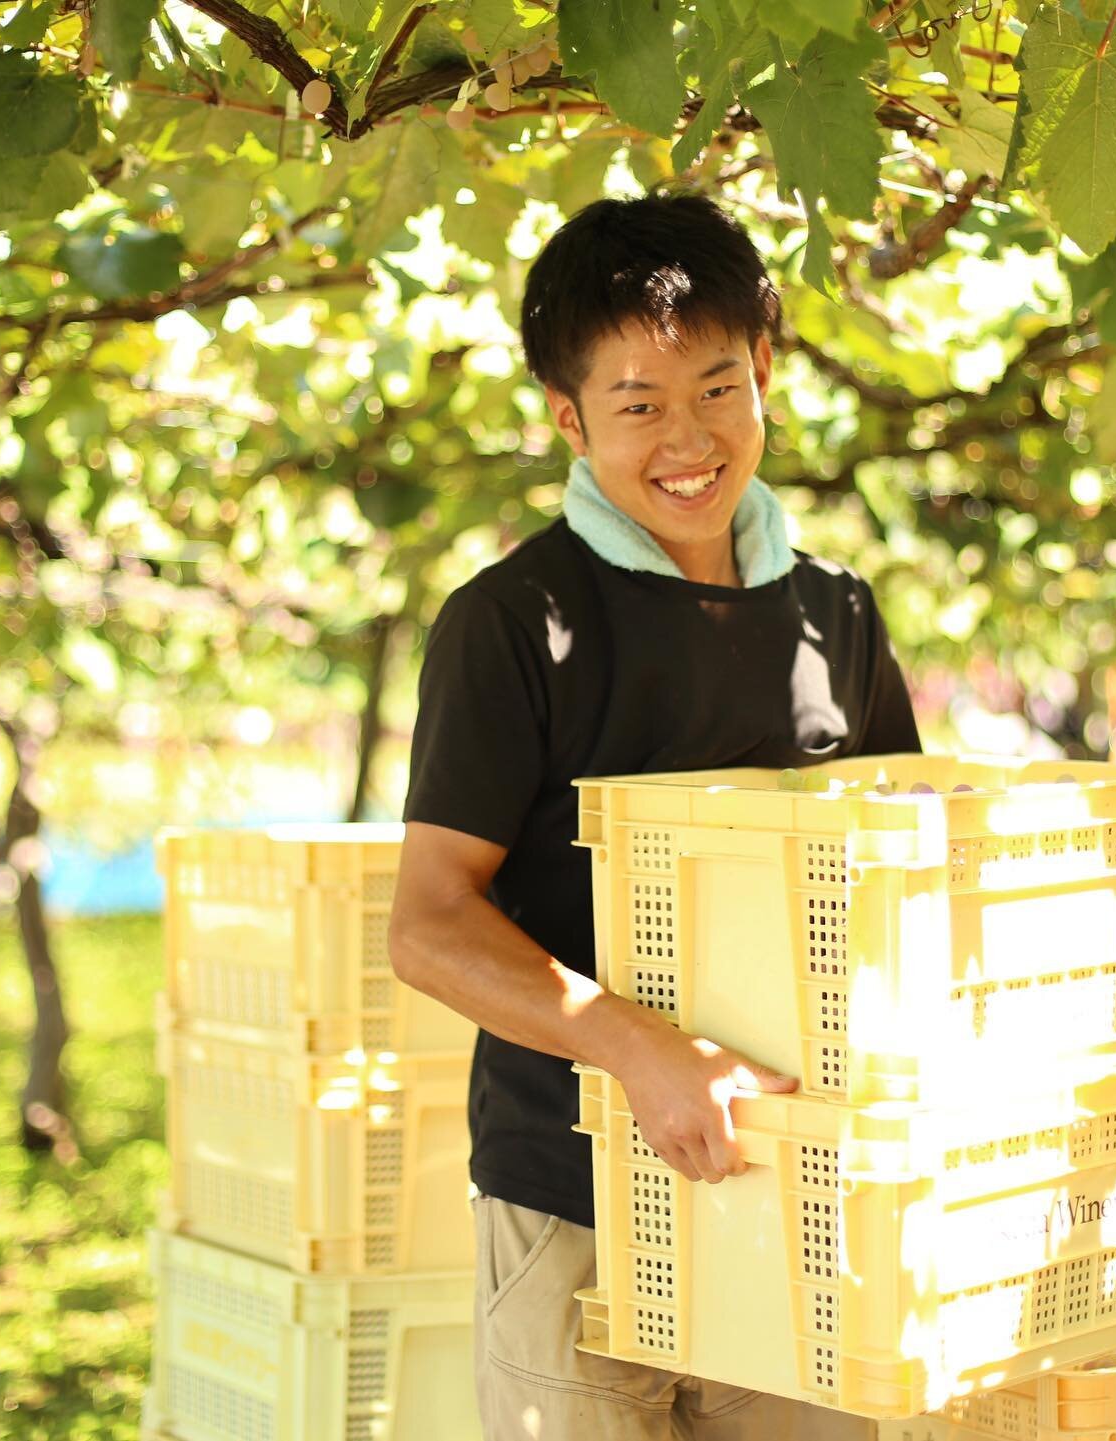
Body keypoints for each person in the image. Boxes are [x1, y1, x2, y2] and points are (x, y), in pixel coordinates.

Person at [390, 192, 922, 1441]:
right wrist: (641, 1048)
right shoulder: (514, 624)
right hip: (570, 1201)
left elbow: (901, 877)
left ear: (766, 374)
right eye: (637, 404)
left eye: (717, 389)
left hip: (799, 1200)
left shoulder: (835, 616)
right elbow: (427, 925)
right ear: (568, 418)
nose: (687, 438)